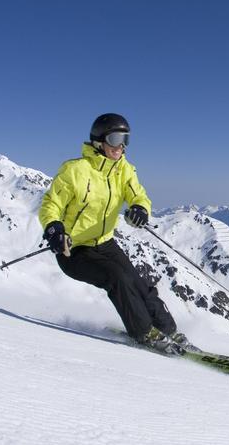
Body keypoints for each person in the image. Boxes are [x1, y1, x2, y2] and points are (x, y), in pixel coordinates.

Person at [38, 113, 185, 349]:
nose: (121, 146)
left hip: (106, 244)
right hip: (74, 250)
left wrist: (140, 208)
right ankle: (144, 333)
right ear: (99, 141)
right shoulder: (75, 170)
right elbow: (50, 205)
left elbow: (138, 195)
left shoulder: (123, 170)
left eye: (126, 139)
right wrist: (54, 229)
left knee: (138, 283)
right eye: (116, 139)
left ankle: (169, 330)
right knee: (118, 278)